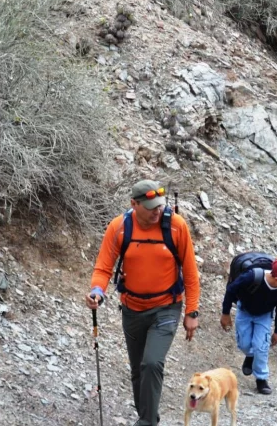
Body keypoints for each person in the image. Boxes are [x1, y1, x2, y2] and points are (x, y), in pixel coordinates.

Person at [86, 180, 201, 426]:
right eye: (150, 207)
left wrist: (192, 311)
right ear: (134, 204)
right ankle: (146, 416)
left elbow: (191, 274)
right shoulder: (119, 227)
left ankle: (147, 422)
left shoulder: (176, 226)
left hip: (166, 308)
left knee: (152, 363)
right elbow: (103, 268)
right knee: (138, 369)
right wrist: (97, 291)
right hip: (132, 309)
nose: (156, 211)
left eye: (159, 206)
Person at [221, 258, 277, 394]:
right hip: (244, 311)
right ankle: (250, 355)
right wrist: (225, 313)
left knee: (261, 346)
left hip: (264, 316)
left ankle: (261, 379)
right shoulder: (252, 277)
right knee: (244, 343)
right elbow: (231, 290)